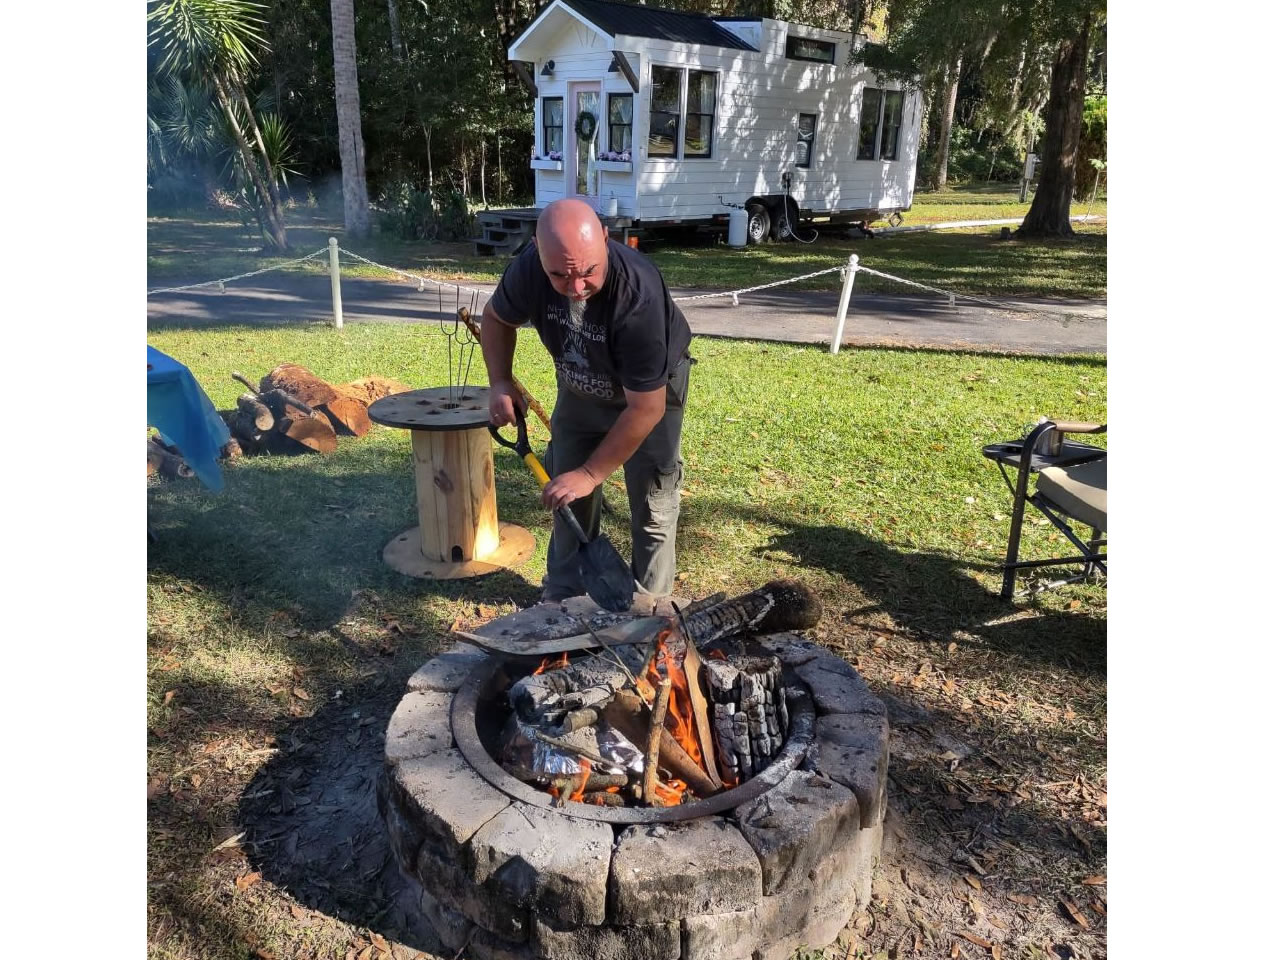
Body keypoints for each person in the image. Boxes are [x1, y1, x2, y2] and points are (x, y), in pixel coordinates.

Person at [480, 197, 693, 603]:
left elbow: (645, 408)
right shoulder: (529, 269)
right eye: (560, 275)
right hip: (580, 383)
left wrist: (592, 474)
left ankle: (651, 609)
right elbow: (496, 318)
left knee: (652, 502)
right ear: (538, 254)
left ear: (608, 241)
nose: (576, 289)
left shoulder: (637, 295)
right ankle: (564, 593)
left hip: (651, 393)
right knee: (565, 488)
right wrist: (501, 381)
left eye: (588, 272)